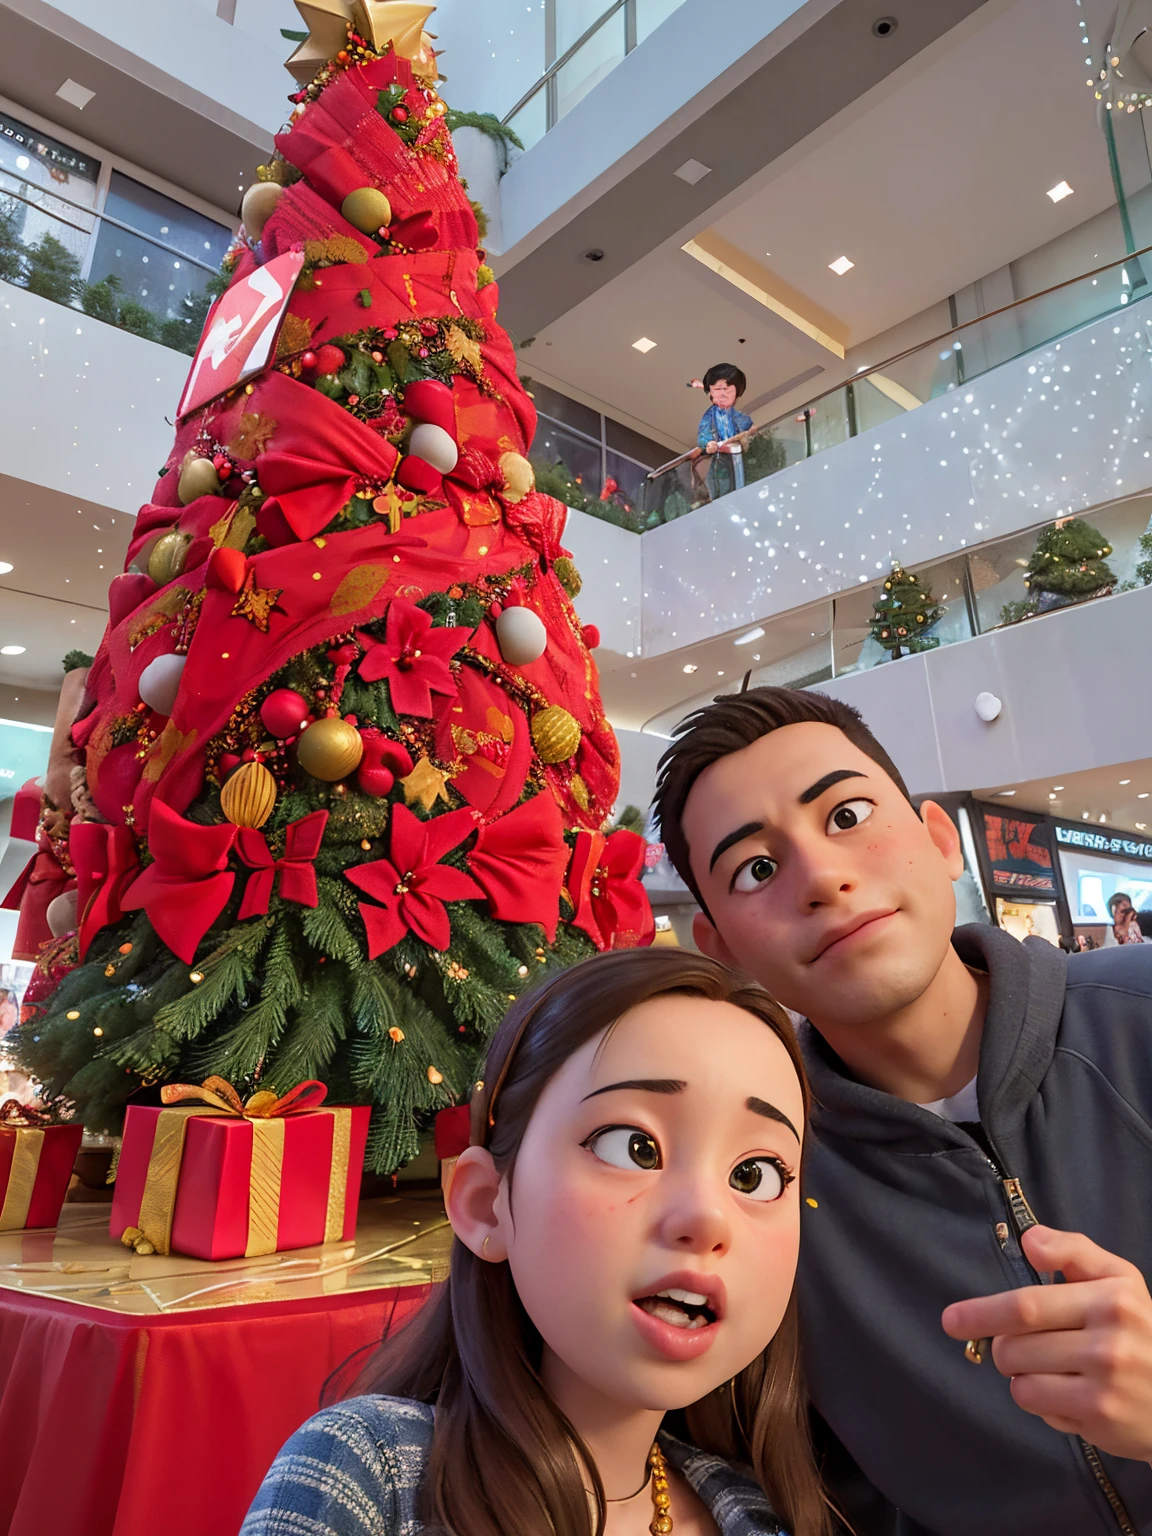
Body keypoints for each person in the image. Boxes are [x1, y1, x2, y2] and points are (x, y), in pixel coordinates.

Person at [652, 687, 1152, 1536]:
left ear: (937, 838)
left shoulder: (1138, 1015)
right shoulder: (757, 1183)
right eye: (757, 870)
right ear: (721, 948)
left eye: (846, 814)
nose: (822, 878)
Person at [243, 948, 833, 1536]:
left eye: (754, 1176)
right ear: (484, 1205)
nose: (707, 1219)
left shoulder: (763, 1515)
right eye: (633, 1146)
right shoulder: (368, 1477)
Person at [691, 366, 753, 505]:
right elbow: (703, 433)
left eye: (728, 390)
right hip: (719, 463)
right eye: (718, 390)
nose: (723, 395)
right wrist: (707, 443)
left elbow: (748, 428)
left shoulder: (739, 417)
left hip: (738, 460)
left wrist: (748, 436)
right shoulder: (710, 415)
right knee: (722, 492)